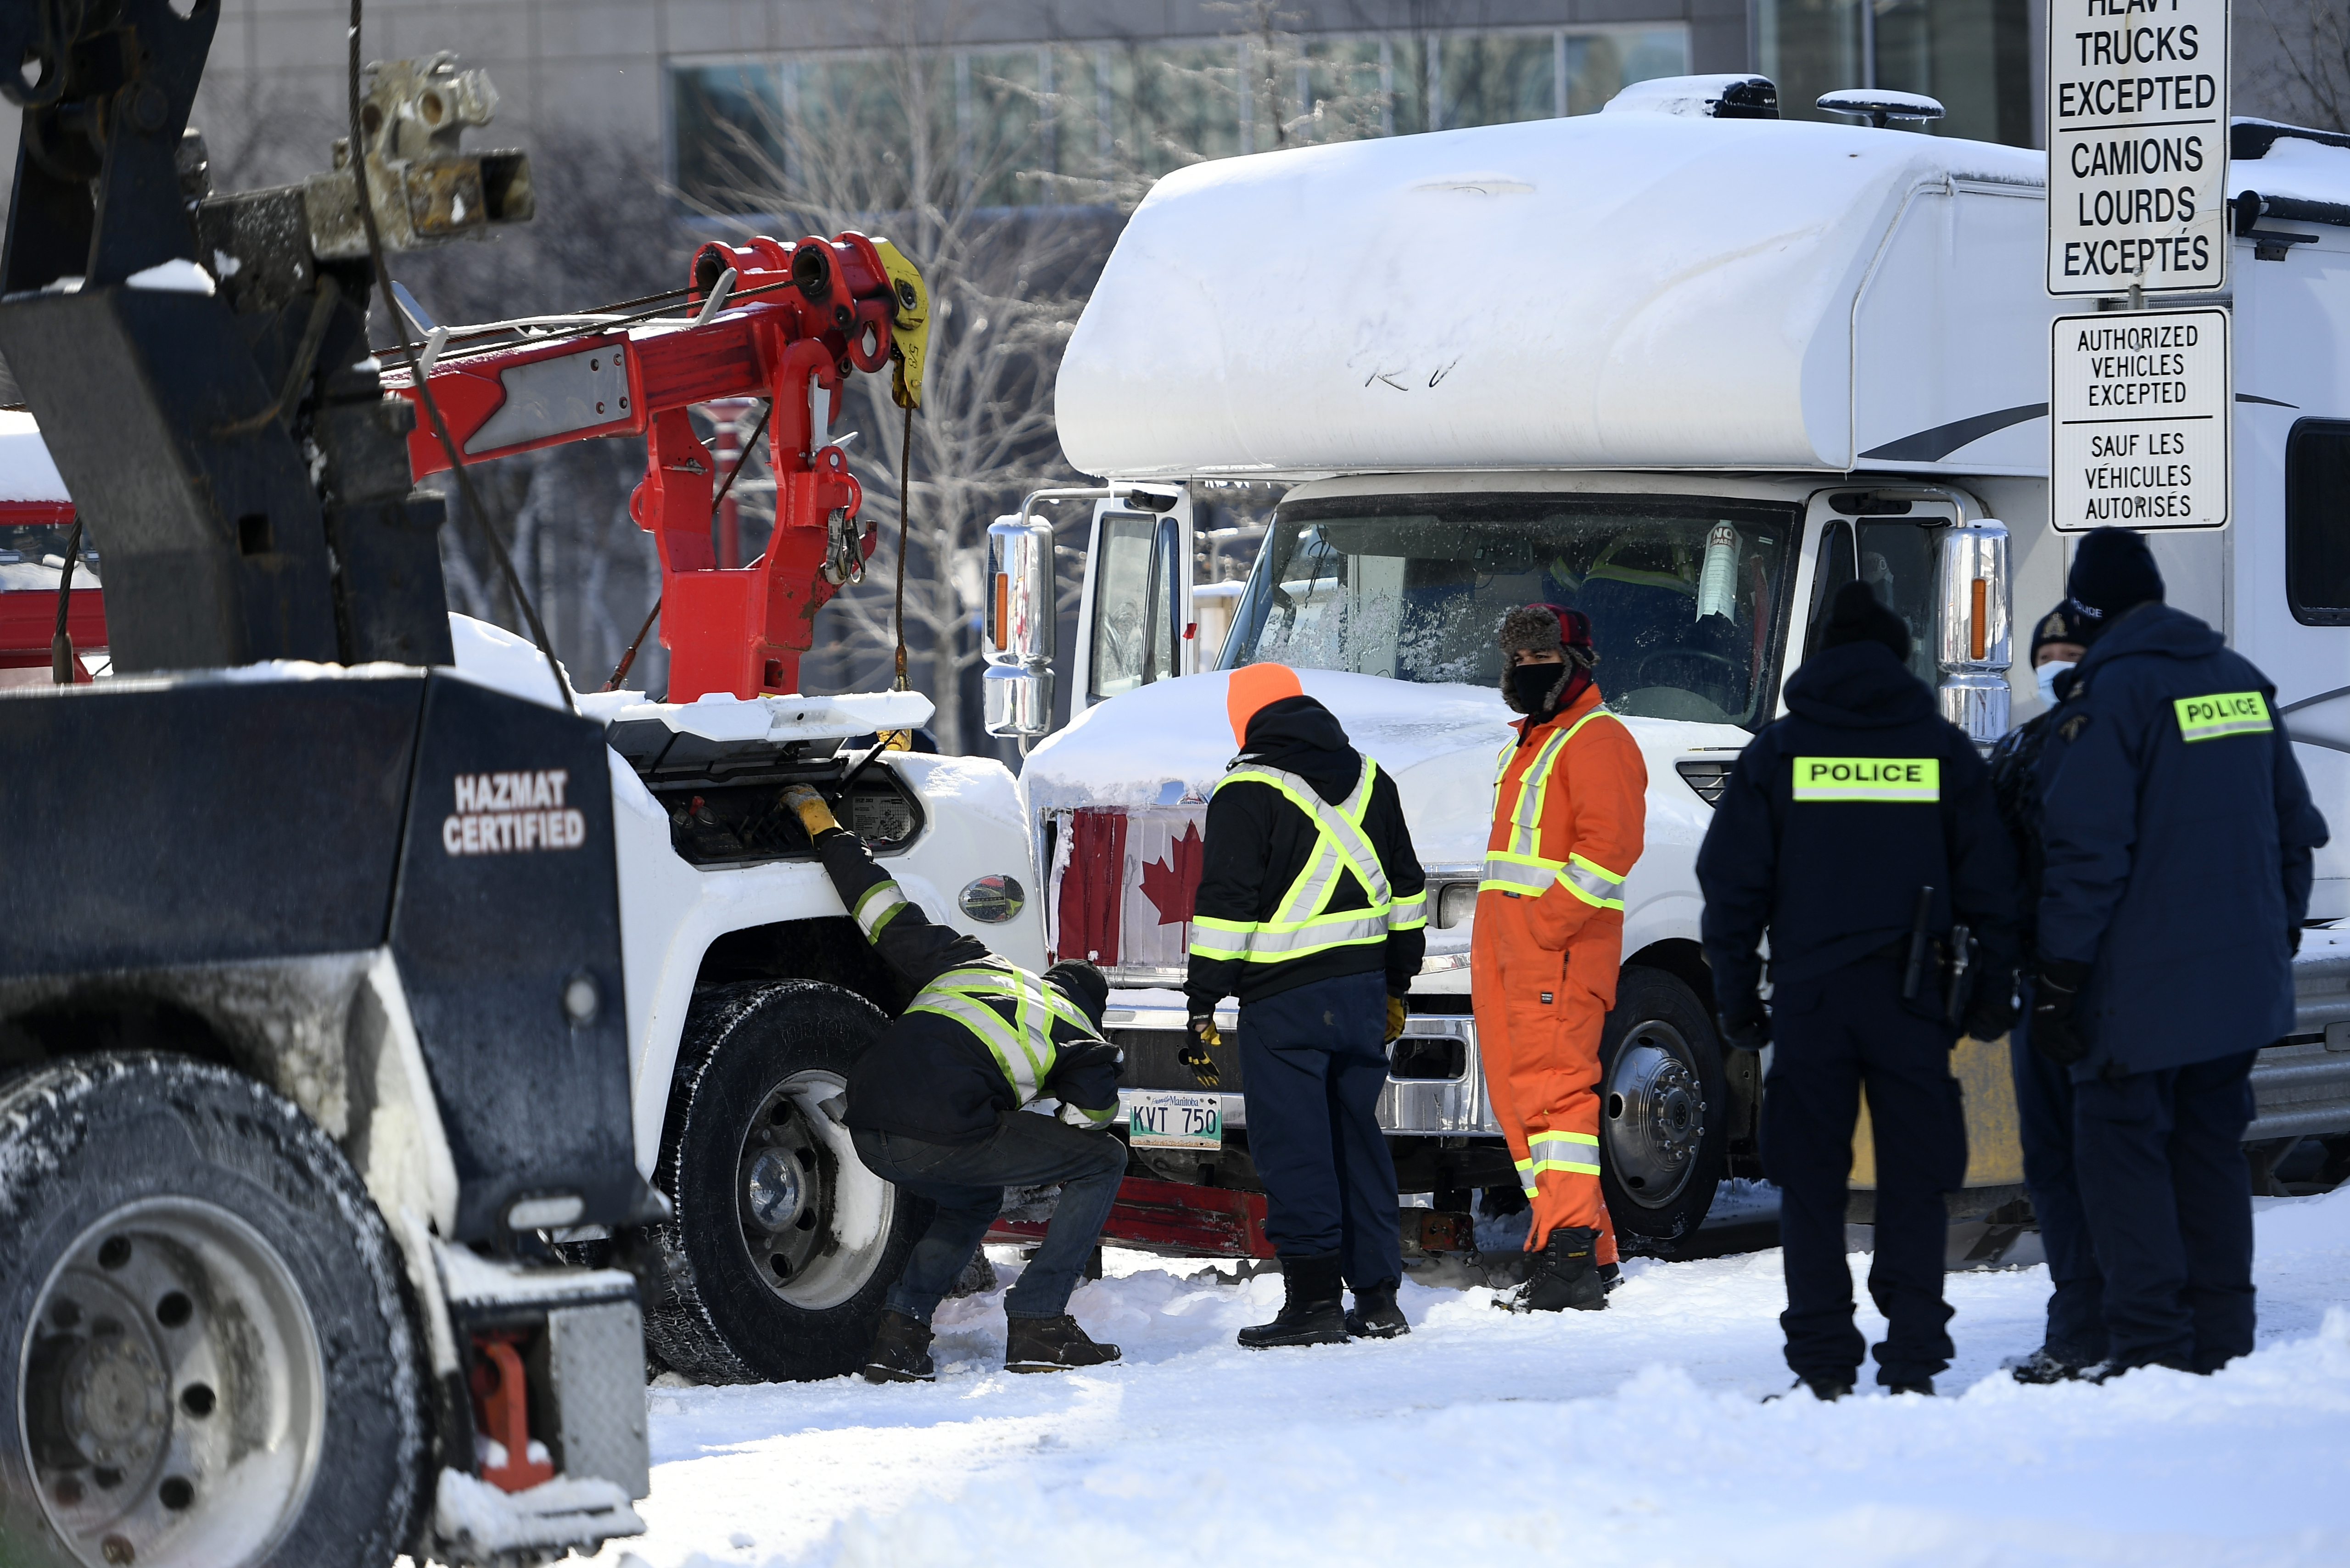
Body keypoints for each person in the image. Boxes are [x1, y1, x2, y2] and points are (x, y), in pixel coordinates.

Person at [1696, 581, 2018, 1398]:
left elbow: (1732, 888)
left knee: (1811, 1183)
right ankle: (1911, 1358)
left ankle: (1823, 1368)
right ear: (1899, 658)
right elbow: (1994, 886)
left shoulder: (1779, 752)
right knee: (1915, 1177)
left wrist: (1737, 999)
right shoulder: (1940, 751)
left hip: (1809, 1000)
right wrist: (1986, 995)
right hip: (1916, 998)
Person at [2033, 527, 2328, 1378]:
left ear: (2089, 610)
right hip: (2234, 992)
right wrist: (2270, 941)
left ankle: (2152, 1347)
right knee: (2207, 1154)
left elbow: (2086, 857)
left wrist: (2060, 979)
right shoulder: (2239, 684)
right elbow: (2297, 838)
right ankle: (2222, 1338)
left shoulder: (2112, 698)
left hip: (2136, 996)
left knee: (2122, 1159)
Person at [779, 783, 1128, 1383]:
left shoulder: (973, 962)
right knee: (1104, 1160)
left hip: (867, 1122)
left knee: (974, 1196)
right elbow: (1084, 1129)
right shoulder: (1080, 1035)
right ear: (1089, 1008)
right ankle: (1041, 1321)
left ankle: (900, 1337)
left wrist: (825, 828)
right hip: (941, 1131)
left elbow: (883, 910)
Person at [1186, 663, 1428, 1346]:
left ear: (1248, 719)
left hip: (1284, 1004)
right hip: (1361, 997)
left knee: (1297, 1149)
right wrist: (1397, 984)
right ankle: (1379, 1299)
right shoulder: (1374, 780)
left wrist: (1203, 1000)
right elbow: (1407, 893)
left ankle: (1314, 1304)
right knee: (1358, 1142)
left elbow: (1226, 911)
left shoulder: (1245, 790)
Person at [1472, 604, 1646, 1311]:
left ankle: (1570, 1259)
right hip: (1517, 960)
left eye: (1540, 660)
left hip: (1556, 959)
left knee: (1558, 1106)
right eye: (1516, 662)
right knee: (1526, 1111)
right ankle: (1587, 1253)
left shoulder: (1598, 740)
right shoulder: (1536, 740)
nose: (1524, 672)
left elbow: (1609, 852)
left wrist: (1547, 927)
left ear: (1579, 665)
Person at [1987, 602, 2108, 1383]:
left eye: (2069, 650)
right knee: (2056, 1168)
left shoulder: (2117, 743)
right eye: (2048, 651)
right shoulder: (2023, 746)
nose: (2056, 662)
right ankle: (2078, 1326)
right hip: (2042, 989)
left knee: (2110, 1166)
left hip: (2110, 991)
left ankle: (2123, 1325)